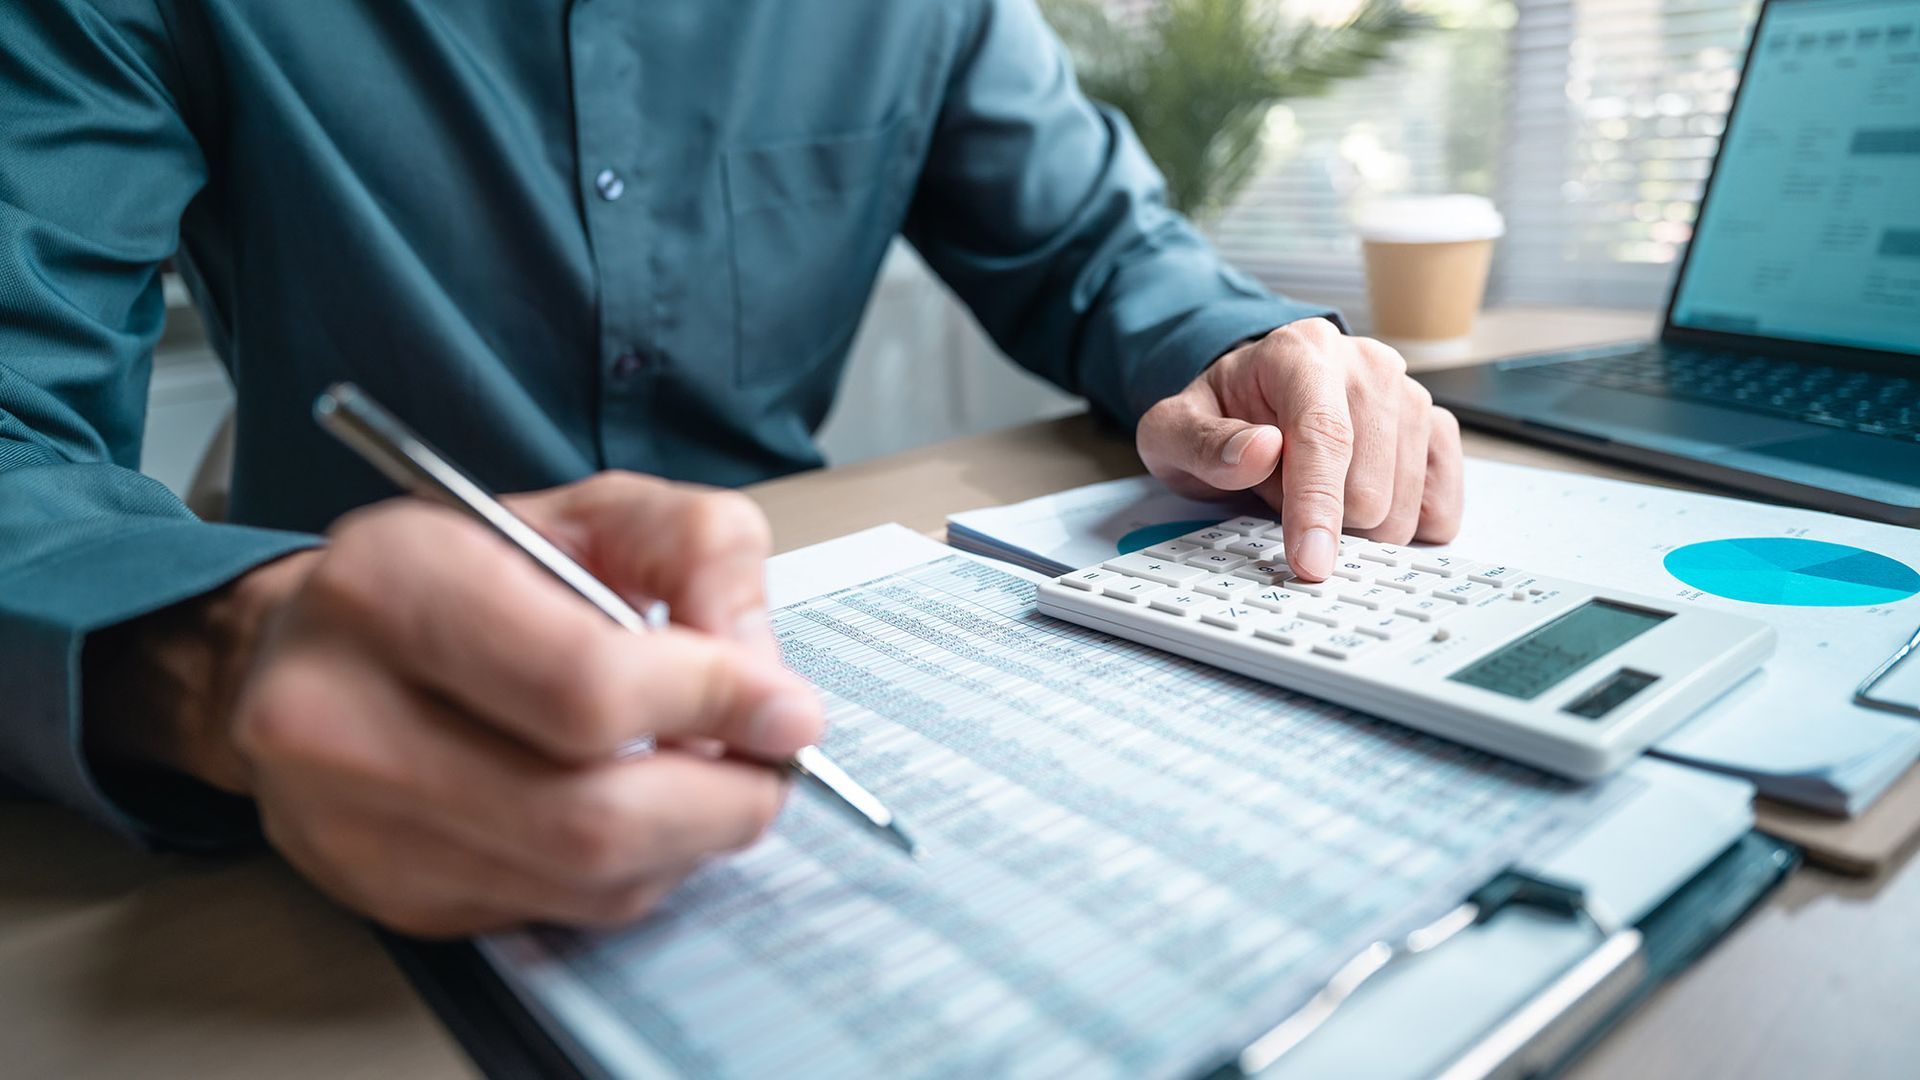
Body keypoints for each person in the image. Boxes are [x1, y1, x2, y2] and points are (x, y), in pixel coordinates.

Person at [0, 0, 1463, 936]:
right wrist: (218, 658)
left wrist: (1250, 342)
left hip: (795, 642)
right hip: (313, 806)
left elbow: (1097, 249)